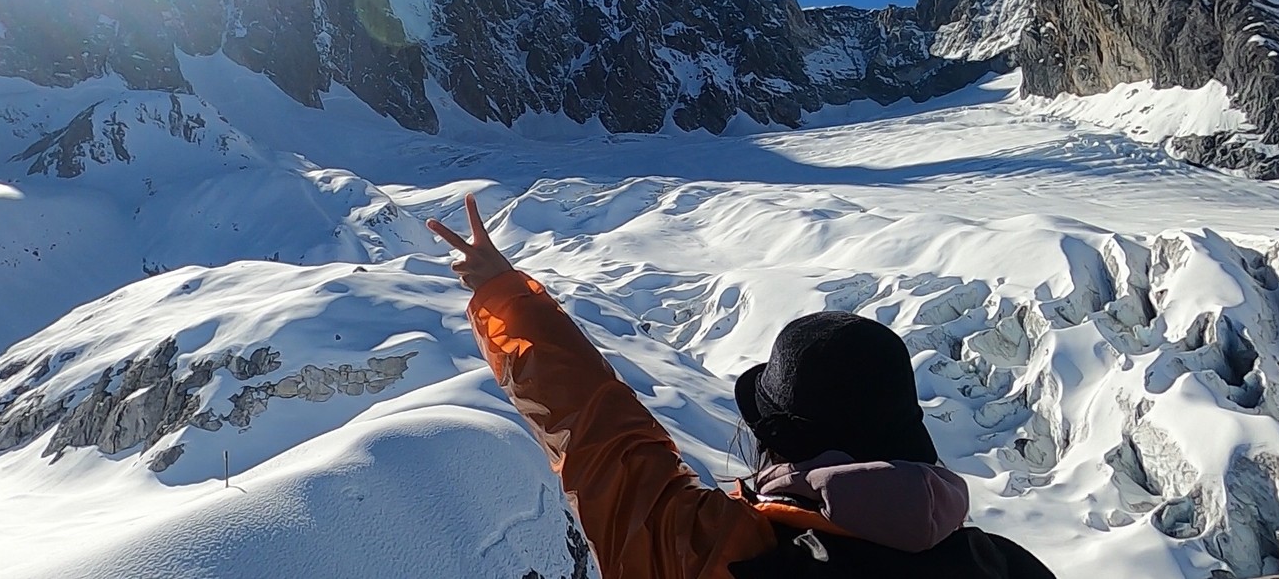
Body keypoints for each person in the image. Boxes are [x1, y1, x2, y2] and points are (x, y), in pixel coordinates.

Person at [427, 194, 1055, 579]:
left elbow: (600, 434)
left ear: (777, 438)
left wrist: (503, 294)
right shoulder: (1011, 567)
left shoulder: (722, 552)